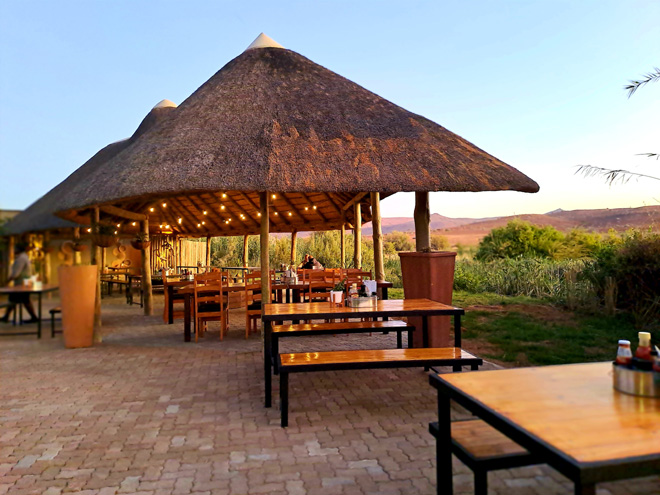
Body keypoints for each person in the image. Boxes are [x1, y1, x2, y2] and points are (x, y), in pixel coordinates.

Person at [1, 242, 39, 323]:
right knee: (15, 299)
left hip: (21, 284)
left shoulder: (21, 259)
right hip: (25, 282)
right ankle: (6, 316)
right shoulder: (24, 257)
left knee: (21, 299)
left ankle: (34, 317)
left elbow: (16, 273)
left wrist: (8, 280)